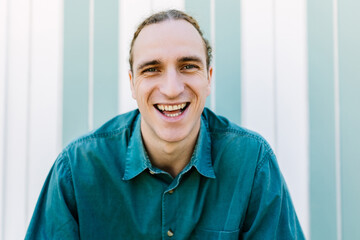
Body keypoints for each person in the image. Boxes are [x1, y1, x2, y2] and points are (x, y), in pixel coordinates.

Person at [26, 9, 304, 239]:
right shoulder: (77, 169)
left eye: (188, 66)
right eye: (152, 69)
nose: (171, 89)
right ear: (133, 83)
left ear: (208, 78)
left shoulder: (252, 163)